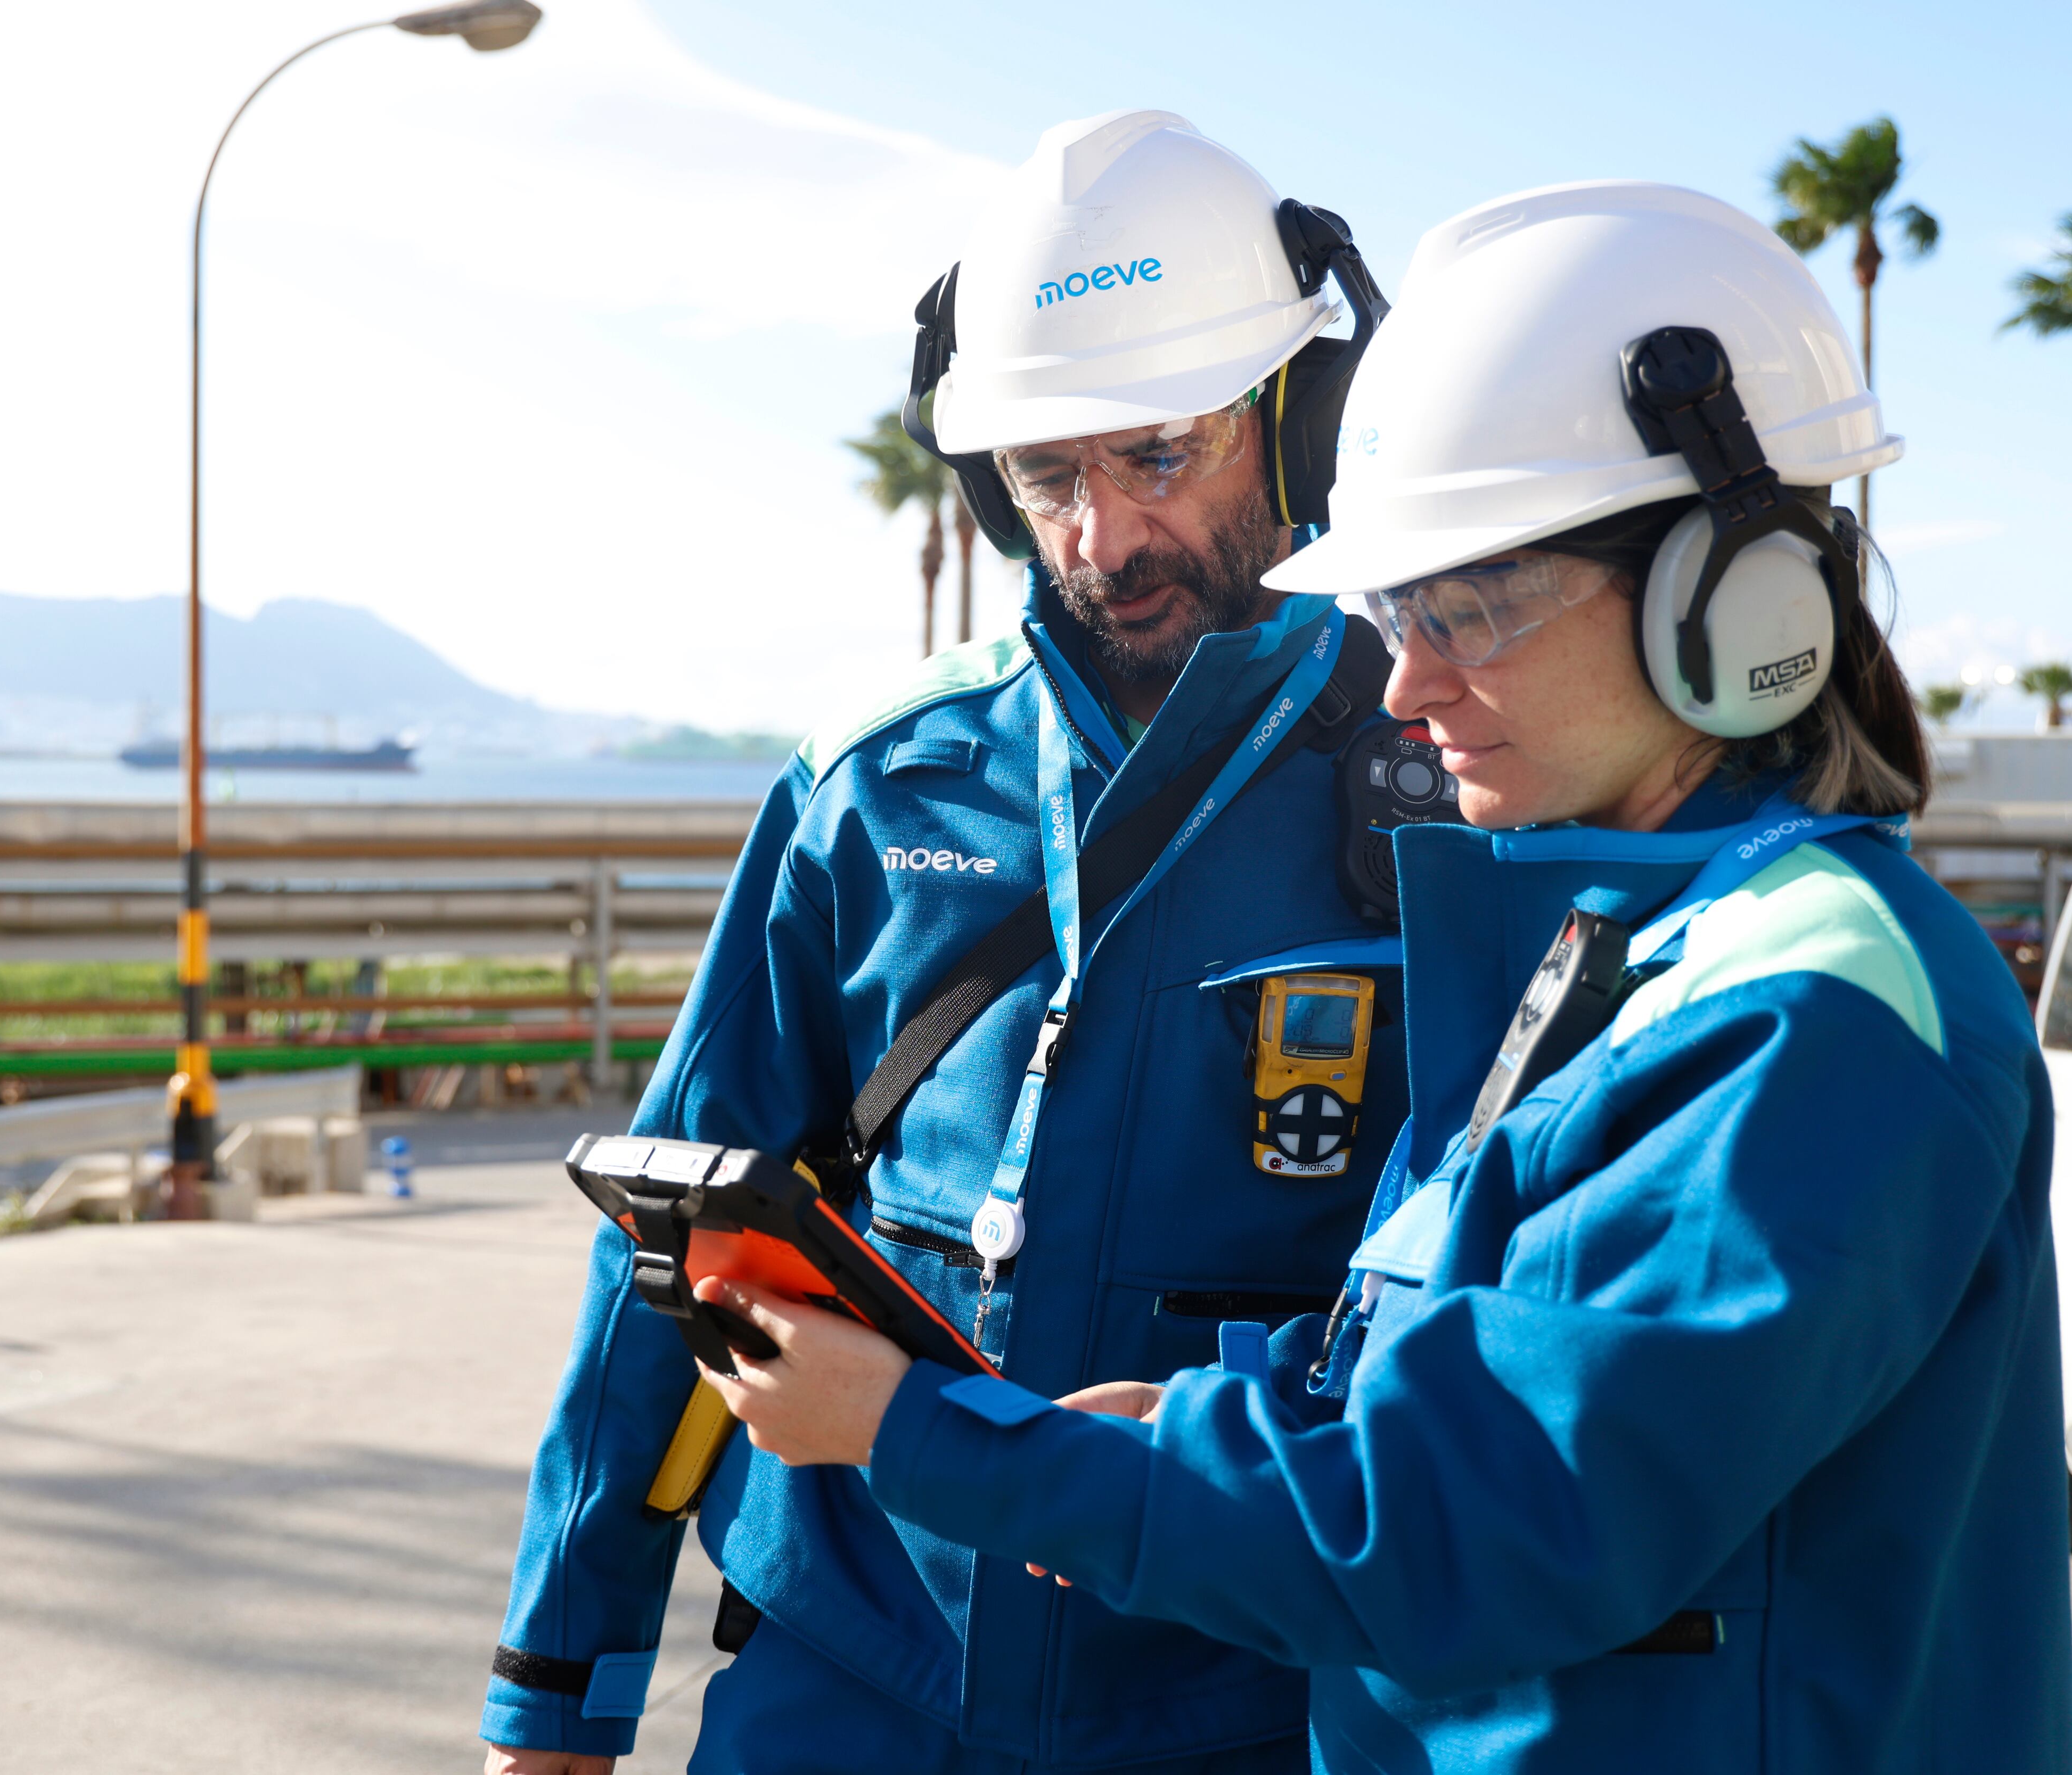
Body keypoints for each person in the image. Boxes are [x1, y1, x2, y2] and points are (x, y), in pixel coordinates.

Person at [691, 179, 2072, 1772]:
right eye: (1398, 610)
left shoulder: (1818, 1026)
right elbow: (1425, 1367)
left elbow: (1462, 1526)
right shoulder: (1620, 954)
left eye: (1470, 607)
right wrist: (1180, 1417)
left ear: (1731, 597)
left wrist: (920, 1431)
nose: (1408, 681)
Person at [484, 110, 1407, 1774]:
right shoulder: (870, 787)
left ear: (1297, 427)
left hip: (1244, 1710)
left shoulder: (1442, 803)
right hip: (845, 1684)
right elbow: (663, 1248)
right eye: (1049, 475)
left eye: (1157, 454)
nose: (1102, 540)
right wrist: (556, 1686)